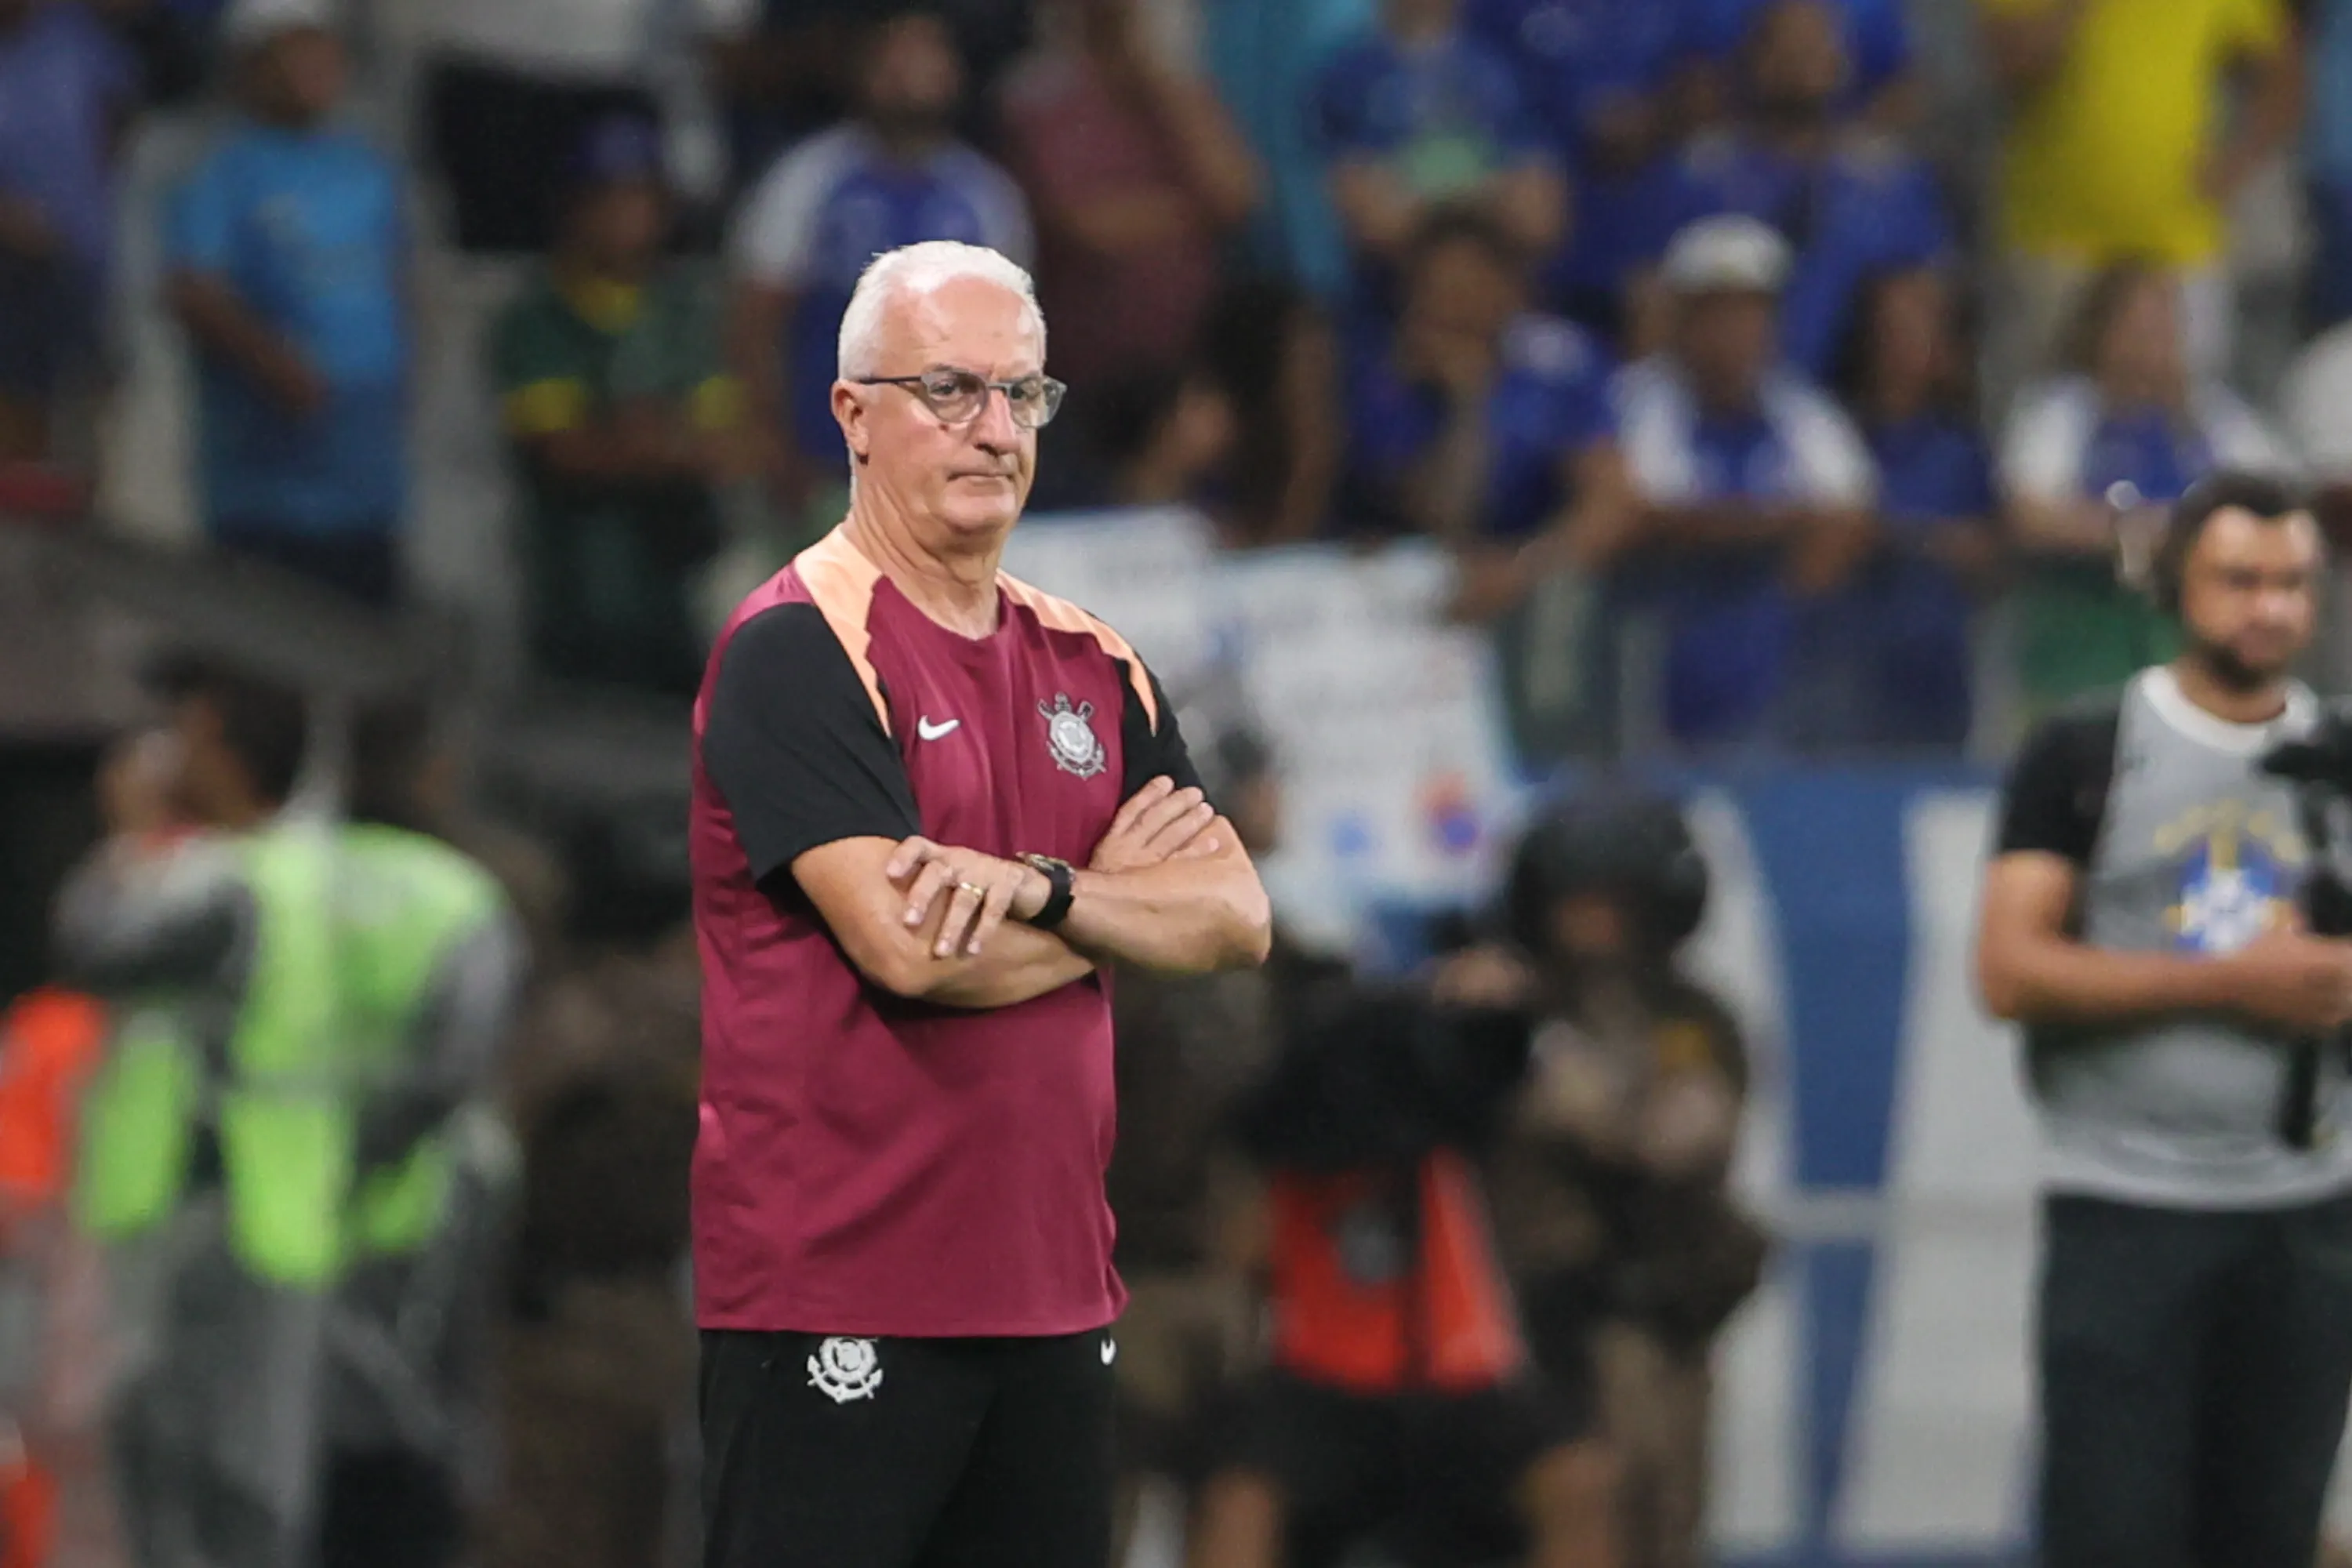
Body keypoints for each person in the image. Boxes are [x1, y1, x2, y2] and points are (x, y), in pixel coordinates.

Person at [691, 239, 1272, 1568]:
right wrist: (1118, 904)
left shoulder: (1094, 660)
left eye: (1023, 396)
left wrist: (1042, 891)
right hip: (837, 1291)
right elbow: (910, 949)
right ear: (853, 414)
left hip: (1057, 1293)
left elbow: (1236, 915)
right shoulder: (798, 645)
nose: (996, 430)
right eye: (948, 391)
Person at [56, 659, 524, 1568]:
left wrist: (126, 833)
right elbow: (458, 1060)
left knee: (215, 1476)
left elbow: (94, 944)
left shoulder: (242, 877)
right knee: (385, 1452)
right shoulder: (456, 893)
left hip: (236, 1214)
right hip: (389, 1207)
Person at [1976, 471, 2352, 1568]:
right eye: (2239, 580)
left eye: (2292, 583)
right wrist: (2227, 985)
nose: (2268, 609)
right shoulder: (2089, 750)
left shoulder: (2341, 756)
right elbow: (2008, 970)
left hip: (2308, 1210)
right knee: (2114, 1531)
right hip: (2130, 1202)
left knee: (2269, 1536)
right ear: (2177, 587)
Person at [1184, 956, 1617, 1568]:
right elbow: (1237, 1247)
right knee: (1240, 1500)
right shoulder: (1286, 1132)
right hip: (1319, 1381)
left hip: (1460, 1380)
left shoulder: (1455, 1119)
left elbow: (1540, 1097)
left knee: (1578, 1479)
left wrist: (1470, 1013)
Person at [1484, 790, 1765, 1568]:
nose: (1595, 921)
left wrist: (1584, 1095)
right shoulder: (1507, 1009)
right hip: (1532, 1327)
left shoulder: (1692, 1018)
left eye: (1615, 901)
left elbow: (1678, 1139)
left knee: (1661, 1521)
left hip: (1654, 1320)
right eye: (1578, 900)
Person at [727, 10, 1032, 543]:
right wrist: (772, 441)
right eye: (892, 56)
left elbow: (1015, 344)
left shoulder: (988, 196)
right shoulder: (806, 180)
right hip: (823, 463)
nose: (908, 73)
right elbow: (756, 318)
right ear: (860, 71)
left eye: (925, 55)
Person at [163, 0, 411, 607]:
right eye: (293, 50)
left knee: (370, 655)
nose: (314, 67)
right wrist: (271, 361)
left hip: (366, 480)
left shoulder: (366, 167)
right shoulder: (222, 169)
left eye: (322, 49)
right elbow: (193, 288)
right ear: (250, 64)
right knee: (262, 659)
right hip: (267, 489)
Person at [492, 114, 746, 699]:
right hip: (576, 594)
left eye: (638, 199)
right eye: (605, 199)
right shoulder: (538, 317)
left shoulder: (686, 314)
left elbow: (727, 446)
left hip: (679, 597)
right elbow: (565, 453)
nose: (623, 218)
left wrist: (636, 438)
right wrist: (659, 441)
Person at [1610, 214, 1878, 747]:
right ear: (1681, 318)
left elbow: (1850, 521)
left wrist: (1734, 537)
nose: (1733, 331)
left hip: (1776, 669)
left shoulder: (1803, 413)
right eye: (1715, 311)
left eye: (1749, 311)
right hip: (1650, 654)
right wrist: (1776, 525)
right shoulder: (1633, 402)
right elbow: (1641, 515)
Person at [1998, 260, 2292, 717]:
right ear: (2100, 331)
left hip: (2196, 654)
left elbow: (2276, 510)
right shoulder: (2062, 412)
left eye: (2164, 322)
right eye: (2137, 324)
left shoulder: (2218, 419)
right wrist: (2140, 533)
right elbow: (2030, 516)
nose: (2153, 339)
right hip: (2079, 644)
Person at [1976, 0, 2300, 397]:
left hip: (2181, 244)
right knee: (2049, 417)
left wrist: (2235, 165)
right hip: (2058, 243)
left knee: (2189, 420)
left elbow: (2285, 71)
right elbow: (2008, 66)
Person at [1637, 0, 1952, 377]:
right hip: (1718, 393)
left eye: (1816, 45)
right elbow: (1654, 301)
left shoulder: (1888, 180)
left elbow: (1926, 306)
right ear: (1754, 59)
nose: (1801, 60)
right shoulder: (1702, 175)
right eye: (1787, 46)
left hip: (1856, 404)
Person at [997, 0, 1261, 391]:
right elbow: (1086, 227)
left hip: (1192, 355)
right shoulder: (1039, 97)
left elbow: (1238, 196)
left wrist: (1161, 87)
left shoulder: (1174, 93)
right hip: (1087, 365)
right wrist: (1197, 213)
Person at [1834, 266, 2001, 748]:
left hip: (1941, 665)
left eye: (1919, 328)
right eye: (1890, 328)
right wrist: (1927, 541)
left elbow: (1992, 554)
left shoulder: (1962, 449)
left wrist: (1905, 539)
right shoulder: (1836, 436)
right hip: (1850, 664)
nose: (1902, 344)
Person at [1312, 0, 1567, 299]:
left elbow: (1537, 219)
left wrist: (1420, 203)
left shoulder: (1506, 70)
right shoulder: (1345, 78)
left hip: (1499, 294)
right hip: (1385, 303)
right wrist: (1484, 199)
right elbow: (1376, 223)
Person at [0, 0, 136, 465]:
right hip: (10, 275)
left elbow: (114, 123)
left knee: (86, 412)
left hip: (83, 259)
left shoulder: (73, 34)